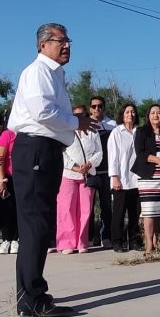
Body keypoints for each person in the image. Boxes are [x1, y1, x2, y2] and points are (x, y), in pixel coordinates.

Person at [8, 23, 96, 317]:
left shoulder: (55, 75)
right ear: (43, 44)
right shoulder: (38, 72)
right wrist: (76, 122)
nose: (67, 45)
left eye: (69, 40)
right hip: (35, 149)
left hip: (46, 151)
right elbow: (42, 113)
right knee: (36, 225)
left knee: (40, 225)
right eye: (61, 40)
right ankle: (32, 301)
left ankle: (32, 296)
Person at [57, 105, 103, 255]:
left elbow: (99, 152)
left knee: (85, 209)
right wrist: (75, 167)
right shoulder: (65, 131)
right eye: (75, 115)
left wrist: (89, 164)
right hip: (69, 174)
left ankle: (82, 242)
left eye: (82, 114)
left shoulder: (93, 131)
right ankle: (66, 242)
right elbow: (61, 152)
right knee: (67, 208)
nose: (79, 117)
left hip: (87, 175)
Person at [132, 104, 160, 257]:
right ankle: (149, 244)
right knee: (149, 211)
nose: (156, 115)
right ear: (148, 115)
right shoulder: (142, 131)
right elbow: (140, 153)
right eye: (153, 113)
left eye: (159, 113)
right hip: (148, 177)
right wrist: (158, 160)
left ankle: (157, 241)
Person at [107, 103, 142, 253]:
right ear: (122, 115)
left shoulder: (139, 131)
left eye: (133, 112)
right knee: (119, 213)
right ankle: (117, 241)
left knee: (135, 212)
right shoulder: (116, 132)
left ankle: (134, 240)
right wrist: (114, 177)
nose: (130, 114)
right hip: (121, 178)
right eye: (127, 112)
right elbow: (113, 156)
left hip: (137, 179)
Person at [87, 95, 115, 249]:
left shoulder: (112, 125)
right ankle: (90, 236)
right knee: (88, 207)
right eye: (93, 106)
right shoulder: (85, 124)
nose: (97, 109)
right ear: (90, 108)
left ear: (104, 107)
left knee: (106, 207)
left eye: (100, 106)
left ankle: (106, 236)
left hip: (106, 172)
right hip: (89, 172)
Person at [0, 122, 19, 255]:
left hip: (24, 178)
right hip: (8, 177)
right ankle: (6, 239)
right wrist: (1, 179)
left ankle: (15, 239)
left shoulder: (27, 133)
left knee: (19, 209)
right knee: (6, 208)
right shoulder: (7, 134)